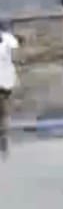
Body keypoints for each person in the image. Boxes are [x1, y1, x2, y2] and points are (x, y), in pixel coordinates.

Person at [0, 20, 17, 159]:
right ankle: (4, 140)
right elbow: (16, 54)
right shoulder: (9, 39)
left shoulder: (7, 39)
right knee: (5, 114)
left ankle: (4, 139)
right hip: (6, 83)